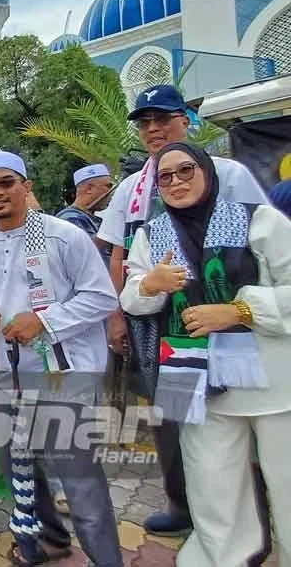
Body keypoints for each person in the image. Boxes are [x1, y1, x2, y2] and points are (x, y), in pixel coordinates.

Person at [96, 84, 269, 537]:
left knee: (237, 410)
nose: (153, 129)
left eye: (163, 118)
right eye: (144, 122)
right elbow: (117, 255)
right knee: (172, 416)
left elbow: (261, 244)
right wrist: (117, 316)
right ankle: (182, 503)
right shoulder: (131, 190)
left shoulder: (228, 173)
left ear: (185, 121)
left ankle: (250, 512)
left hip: (226, 317)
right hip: (156, 320)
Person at [120, 142, 289, 567]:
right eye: (165, 176)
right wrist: (149, 285)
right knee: (211, 484)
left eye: (186, 170)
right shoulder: (151, 234)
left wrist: (238, 310)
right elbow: (131, 298)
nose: (176, 181)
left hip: (272, 380)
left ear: (208, 172)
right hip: (189, 376)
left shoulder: (259, 221)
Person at [0, 151, 122, 567]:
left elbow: (103, 297)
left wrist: (45, 322)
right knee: (22, 470)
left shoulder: (63, 235)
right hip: (4, 376)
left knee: (80, 480)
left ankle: (107, 559)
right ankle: (50, 541)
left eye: (6, 182)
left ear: (26, 186)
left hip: (63, 375)